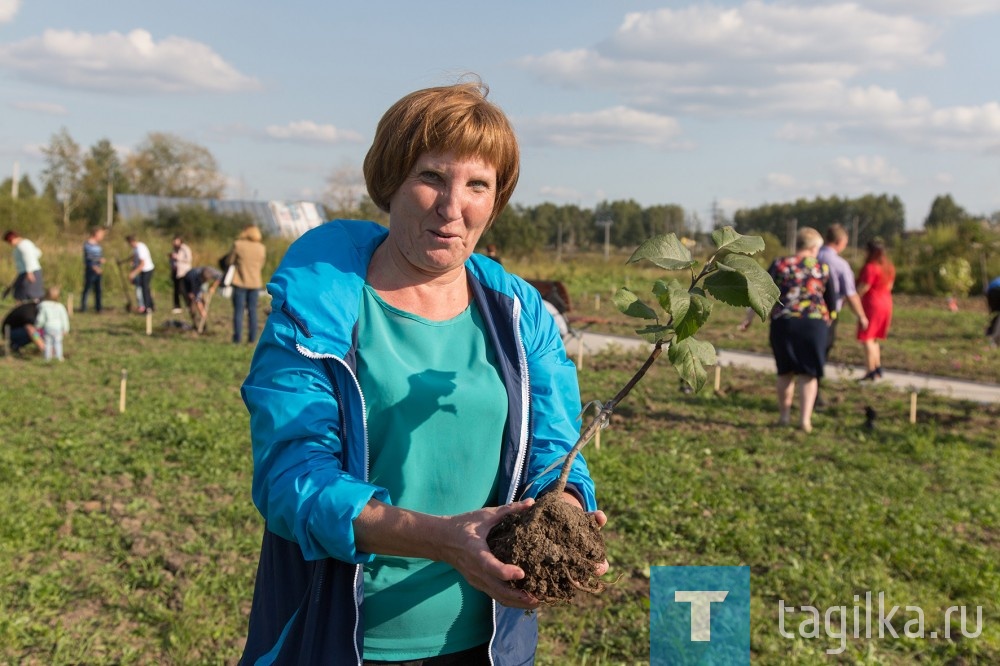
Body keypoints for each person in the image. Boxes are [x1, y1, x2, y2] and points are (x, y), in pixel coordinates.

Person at [239, 80, 606, 666]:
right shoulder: (319, 308)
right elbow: (292, 480)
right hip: (343, 637)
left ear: (496, 200)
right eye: (432, 177)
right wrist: (442, 540)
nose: (452, 206)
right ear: (390, 183)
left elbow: (556, 445)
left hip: (487, 641)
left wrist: (563, 506)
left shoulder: (518, 315)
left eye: (477, 185)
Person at [740, 227, 837, 433]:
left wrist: (749, 318)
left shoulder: (780, 264)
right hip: (814, 323)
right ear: (813, 248)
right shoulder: (823, 267)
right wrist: (830, 321)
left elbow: (761, 292)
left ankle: (784, 417)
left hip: (784, 323)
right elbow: (832, 301)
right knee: (808, 374)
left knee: (785, 373)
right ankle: (805, 421)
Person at [816, 224, 868, 405]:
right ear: (840, 242)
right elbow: (851, 294)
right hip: (828, 315)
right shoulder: (840, 264)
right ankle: (814, 393)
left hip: (805, 313)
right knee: (821, 353)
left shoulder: (812, 256)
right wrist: (861, 316)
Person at [856, 238, 895, 381]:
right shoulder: (888, 266)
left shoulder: (870, 268)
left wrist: (853, 299)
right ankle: (877, 366)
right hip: (886, 301)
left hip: (872, 304)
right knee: (874, 338)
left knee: (866, 337)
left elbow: (864, 287)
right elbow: (890, 286)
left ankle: (870, 370)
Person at [225, 224, 266, 344]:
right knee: (253, 311)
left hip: (240, 281)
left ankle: (237, 338)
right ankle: (252, 339)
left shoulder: (238, 244)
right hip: (255, 282)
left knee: (239, 311)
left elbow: (229, 261)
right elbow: (261, 264)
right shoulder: (261, 247)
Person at [4, 230, 44, 303]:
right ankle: (22, 311)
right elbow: (38, 253)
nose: (10, 244)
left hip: (30, 272)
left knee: (30, 293)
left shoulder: (23, 245)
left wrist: (29, 272)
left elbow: (28, 257)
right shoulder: (25, 243)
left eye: (10, 241)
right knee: (21, 293)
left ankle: (32, 310)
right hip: (28, 271)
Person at [35, 286, 70, 362]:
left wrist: (37, 326)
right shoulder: (60, 307)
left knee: (48, 343)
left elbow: (41, 318)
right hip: (58, 328)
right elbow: (64, 318)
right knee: (58, 342)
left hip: (48, 327)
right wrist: (66, 329)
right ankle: (59, 357)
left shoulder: (43, 306)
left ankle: (47, 358)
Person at [126, 235, 155, 314]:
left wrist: (133, 273)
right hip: (143, 270)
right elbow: (134, 256)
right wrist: (126, 261)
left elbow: (142, 264)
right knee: (145, 288)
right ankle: (151, 306)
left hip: (147, 270)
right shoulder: (136, 248)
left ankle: (147, 308)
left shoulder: (140, 248)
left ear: (131, 242)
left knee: (145, 289)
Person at [80, 227, 107, 313]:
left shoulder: (98, 245)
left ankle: (98, 307)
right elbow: (88, 259)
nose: (102, 236)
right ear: (96, 234)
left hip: (98, 270)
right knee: (87, 289)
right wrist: (95, 268)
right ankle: (83, 307)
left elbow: (96, 257)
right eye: (101, 234)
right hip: (91, 270)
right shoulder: (87, 245)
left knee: (98, 289)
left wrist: (100, 260)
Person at [169, 236, 193, 314]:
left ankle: (189, 305)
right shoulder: (174, 249)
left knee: (183, 289)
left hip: (183, 272)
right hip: (175, 272)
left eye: (176, 241)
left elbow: (189, 259)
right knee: (176, 290)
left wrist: (177, 257)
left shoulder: (185, 249)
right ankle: (177, 306)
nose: (175, 243)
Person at [987, 275, 1000, 346]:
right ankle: (995, 337)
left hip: (990, 291)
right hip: (998, 290)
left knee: (995, 313)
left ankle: (990, 331)